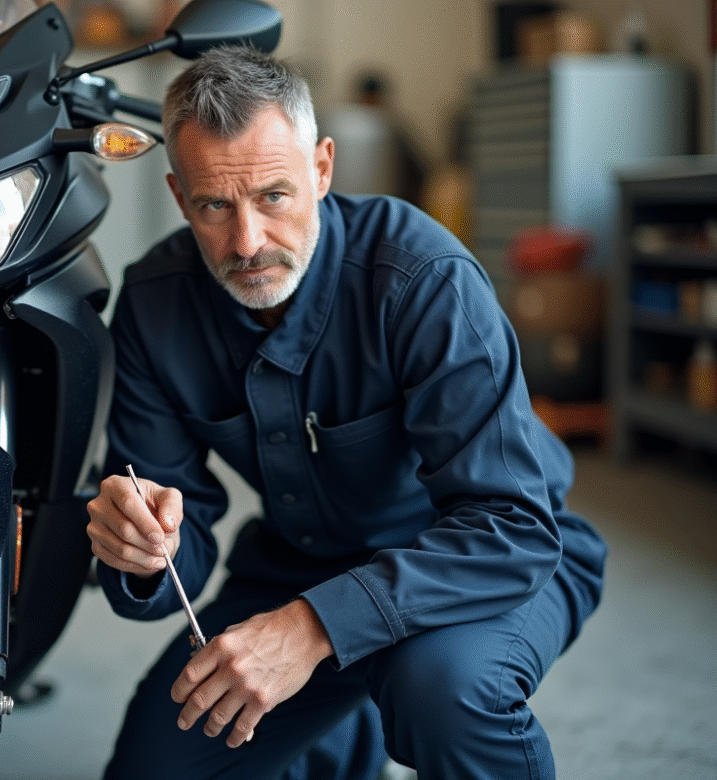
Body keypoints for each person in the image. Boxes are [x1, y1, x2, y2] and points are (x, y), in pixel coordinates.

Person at [84, 45, 607, 780]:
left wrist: (315, 626)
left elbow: (512, 525)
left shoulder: (425, 280)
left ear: (322, 169)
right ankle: (346, 732)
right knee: (152, 771)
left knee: (440, 689)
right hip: (296, 567)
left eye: (273, 196)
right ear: (179, 197)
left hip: (485, 559)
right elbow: (181, 543)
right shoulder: (152, 304)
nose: (247, 243)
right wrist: (144, 551)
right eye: (214, 205)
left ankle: (360, 704)